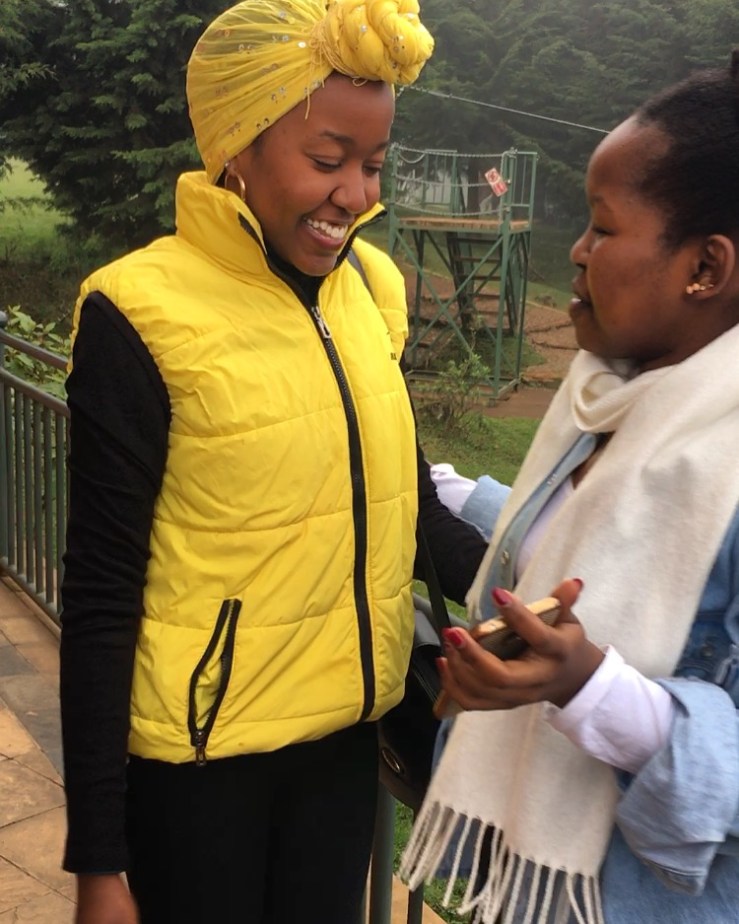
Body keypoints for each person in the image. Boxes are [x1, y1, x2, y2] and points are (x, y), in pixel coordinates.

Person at [58, 3, 488, 923]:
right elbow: (100, 591)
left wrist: (517, 586)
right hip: (201, 770)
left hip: (345, 745)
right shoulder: (137, 315)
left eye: (372, 165)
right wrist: (97, 862)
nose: (354, 195)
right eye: (327, 160)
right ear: (236, 149)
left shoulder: (370, 288)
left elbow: (406, 505)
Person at [402, 51, 739, 924]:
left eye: (601, 228)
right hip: (528, 891)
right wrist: (421, 481)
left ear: (704, 267)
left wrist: (587, 688)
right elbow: (577, 528)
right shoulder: (611, 396)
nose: (576, 253)